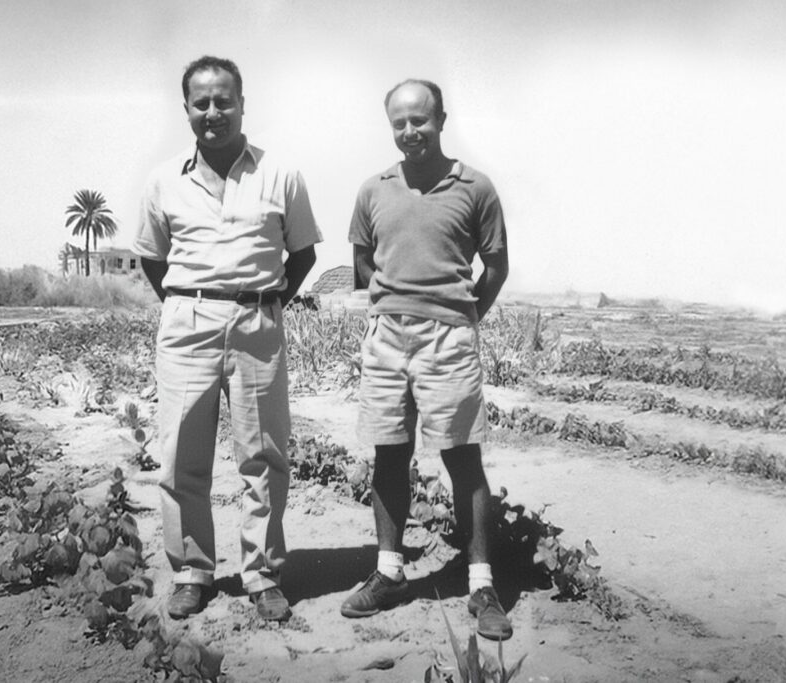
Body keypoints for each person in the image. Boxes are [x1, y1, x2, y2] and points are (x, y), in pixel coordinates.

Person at [133, 55, 322, 621]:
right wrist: (190, 304)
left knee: (264, 455)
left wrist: (263, 302)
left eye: (224, 101)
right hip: (187, 323)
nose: (213, 112)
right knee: (180, 455)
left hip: (257, 322)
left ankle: (262, 574)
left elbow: (303, 254)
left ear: (242, 104)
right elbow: (152, 259)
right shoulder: (163, 179)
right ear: (186, 108)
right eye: (201, 103)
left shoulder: (280, 174)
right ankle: (192, 572)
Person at [340, 79, 512, 640]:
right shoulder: (373, 190)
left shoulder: (475, 188)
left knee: (463, 457)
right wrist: (394, 305)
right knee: (389, 454)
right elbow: (363, 261)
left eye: (420, 120)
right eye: (400, 123)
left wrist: (462, 316)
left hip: (449, 340)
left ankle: (482, 585)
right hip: (386, 339)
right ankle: (390, 573)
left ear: (441, 120)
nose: (410, 131)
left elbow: (496, 266)